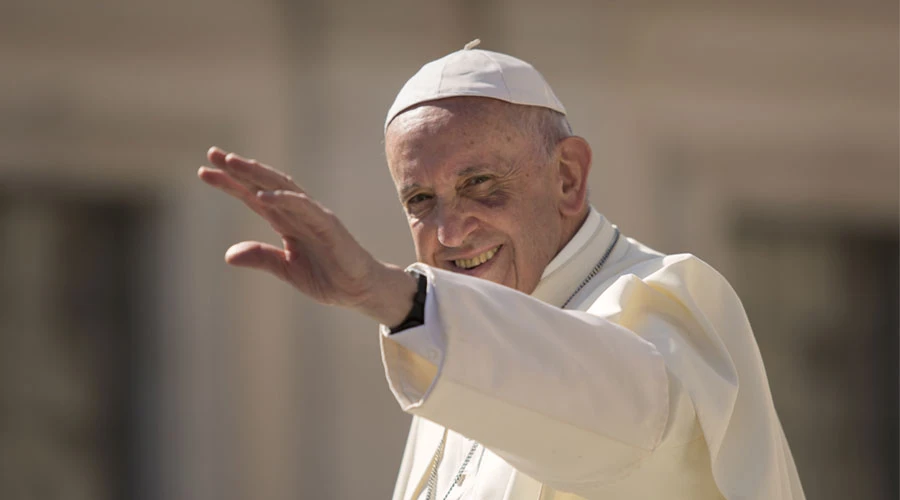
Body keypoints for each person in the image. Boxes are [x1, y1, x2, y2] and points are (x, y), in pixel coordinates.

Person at [197, 40, 805, 500]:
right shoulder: (450, 346)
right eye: (420, 201)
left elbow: (620, 410)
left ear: (567, 177)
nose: (450, 232)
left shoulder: (663, 300)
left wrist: (388, 295)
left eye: (480, 184)